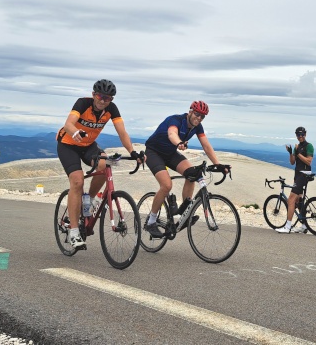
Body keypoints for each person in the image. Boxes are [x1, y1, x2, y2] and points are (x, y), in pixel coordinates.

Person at [56, 79, 143, 249]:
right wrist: (75, 132)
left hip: (88, 146)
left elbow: (122, 132)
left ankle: (89, 201)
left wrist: (132, 152)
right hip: (68, 144)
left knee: (105, 164)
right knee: (77, 181)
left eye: (108, 98)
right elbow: (68, 124)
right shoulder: (83, 103)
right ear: (93, 95)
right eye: (100, 96)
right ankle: (74, 232)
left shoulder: (111, 109)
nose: (103, 101)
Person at [142, 101, 229, 238]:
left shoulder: (198, 127)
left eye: (202, 116)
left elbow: (206, 146)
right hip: (153, 153)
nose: (199, 118)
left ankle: (185, 210)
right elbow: (172, 134)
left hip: (170, 154)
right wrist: (179, 143)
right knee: (166, 185)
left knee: (193, 173)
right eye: (197, 114)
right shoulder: (176, 119)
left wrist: (218, 164)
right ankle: (151, 221)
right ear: (190, 112)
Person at [277, 126, 314, 233]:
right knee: (298, 201)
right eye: (298, 135)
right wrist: (291, 153)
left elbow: (308, 161)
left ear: (305, 135)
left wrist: (298, 153)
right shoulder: (296, 147)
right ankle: (304, 225)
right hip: (297, 175)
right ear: (296, 135)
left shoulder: (309, 146)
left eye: (302, 134)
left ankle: (287, 227)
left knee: (291, 199)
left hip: (304, 174)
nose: (300, 136)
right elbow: (292, 162)